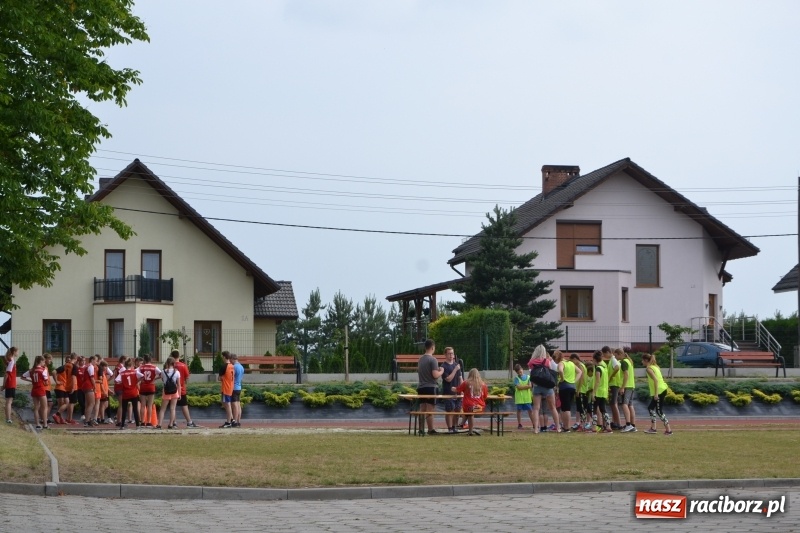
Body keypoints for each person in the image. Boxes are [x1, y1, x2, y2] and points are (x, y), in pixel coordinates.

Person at [528, 345, 561, 434]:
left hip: (537, 386)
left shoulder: (532, 362)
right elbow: (551, 371)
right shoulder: (546, 361)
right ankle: (558, 427)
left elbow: (531, 373)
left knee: (536, 408)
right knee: (553, 407)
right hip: (547, 386)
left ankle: (536, 428)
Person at [416, 339, 444, 435]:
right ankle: (431, 429)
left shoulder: (420, 359)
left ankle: (420, 428)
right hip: (431, 387)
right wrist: (441, 371)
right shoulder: (433, 359)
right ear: (432, 347)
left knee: (422, 409)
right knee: (430, 409)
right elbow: (435, 375)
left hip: (421, 387)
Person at [642, 353, 673, 436]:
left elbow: (656, 380)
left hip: (659, 391)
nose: (642, 362)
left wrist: (656, 394)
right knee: (651, 408)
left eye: (642, 360)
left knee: (659, 411)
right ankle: (653, 428)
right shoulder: (655, 366)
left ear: (645, 360)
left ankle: (668, 429)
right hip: (662, 389)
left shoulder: (649, 369)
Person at [454, 368, 488, 436]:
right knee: (470, 411)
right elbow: (485, 396)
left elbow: (458, 389)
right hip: (480, 408)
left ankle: (469, 430)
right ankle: (462, 424)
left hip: (469, 407)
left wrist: (453, 388)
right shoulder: (483, 384)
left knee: (470, 412)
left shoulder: (466, 382)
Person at [556, 351, 581, 433]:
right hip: (572, 387)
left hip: (564, 387)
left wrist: (562, 379)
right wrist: (574, 381)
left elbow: (560, 370)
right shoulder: (571, 363)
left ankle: (566, 427)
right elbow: (580, 372)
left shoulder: (561, 363)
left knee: (565, 408)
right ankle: (565, 426)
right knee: (566, 407)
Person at [22, 355, 49, 430]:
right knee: (44, 407)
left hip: (34, 389)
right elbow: (46, 382)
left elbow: (22, 376)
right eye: (43, 361)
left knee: (36, 407)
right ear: (40, 361)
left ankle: (37, 424)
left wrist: (31, 380)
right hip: (41, 389)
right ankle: (45, 424)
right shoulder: (43, 370)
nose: (44, 363)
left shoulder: (31, 370)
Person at [440, 346, 463, 433]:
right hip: (448, 392)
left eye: (452, 353)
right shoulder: (443, 366)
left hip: (457, 392)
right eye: (449, 353)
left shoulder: (456, 365)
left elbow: (460, 378)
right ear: (445, 355)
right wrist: (455, 369)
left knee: (457, 410)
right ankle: (449, 428)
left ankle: (454, 426)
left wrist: (463, 389)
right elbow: (448, 379)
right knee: (449, 410)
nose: (451, 355)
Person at [115, 358, 143, 429]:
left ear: (125, 364)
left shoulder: (122, 373)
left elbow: (116, 380)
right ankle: (137, 425)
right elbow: (142, 376)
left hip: (125, 393)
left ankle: (122, 425)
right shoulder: (134, 372)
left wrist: (122, 382)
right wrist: (136, 381)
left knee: (124, 409)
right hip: (133, 392)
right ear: (132, 364)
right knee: (135, 409)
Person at [172, 350, 198, 428]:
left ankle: (174, 423)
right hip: (182, 389)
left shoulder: (170, 365)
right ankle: (189, 422)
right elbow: (187, 377)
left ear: (172, 356)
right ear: (178, 356)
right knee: (184, 405)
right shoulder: (183, 365)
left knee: (173, 407)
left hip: (172, 389)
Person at [616, 348, 637, 432]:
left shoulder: (624, 362)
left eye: (616, 355)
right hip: (631, 385)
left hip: (627, 386)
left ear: (620, 354)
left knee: (624, 404)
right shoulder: (629, 361)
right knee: (630, 405)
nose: (615, 357)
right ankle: (632, 425)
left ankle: (628, 424)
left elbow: (626, 375)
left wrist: (622, 387)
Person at [157, 357, 181, 429]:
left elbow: (162, 380)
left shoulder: (163, 372)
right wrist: (179, 394)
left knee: (162, 409)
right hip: (174, 391)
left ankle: (159, 424)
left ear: (167, 363)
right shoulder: (177, 372)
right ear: (174, 364)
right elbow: (179, 384)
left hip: (166, 391)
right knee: (172, 409)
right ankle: (171, 424)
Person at [602, 346, 623, 429]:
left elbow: (617, 368)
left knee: (613, 404)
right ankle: (615, 422)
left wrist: (610, 376)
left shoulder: (613, 360)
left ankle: (618, 423)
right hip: (614, 383)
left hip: (614, 384)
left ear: (607, 352)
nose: (604, 356)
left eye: (604, 354)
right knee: (613, 404)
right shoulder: (612, 360)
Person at [138, 355, 161, 427]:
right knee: (150, 405)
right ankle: (148, 422)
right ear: (151, 360)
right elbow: (161, 374)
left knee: (143, 405)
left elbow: (135, 374)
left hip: (143, 386)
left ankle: (142, 421)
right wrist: (154, 379)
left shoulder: (141, 367)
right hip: (151, 386)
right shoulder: (154, 367)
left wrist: (141, 379)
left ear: (144, 360)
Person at [592, 351, 612, 433]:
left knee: (595, 409)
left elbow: (597, 381)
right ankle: (608, 425)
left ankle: (594, 426)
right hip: (604, 391)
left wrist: (593, 392)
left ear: (594, 359)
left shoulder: (598, 368)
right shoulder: (604, 368)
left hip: (598, 391)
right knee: (603, 409)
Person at [513, 364, 536, 430]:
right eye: (518, 373)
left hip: (527, 398)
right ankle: (519, 424)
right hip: (519, 398)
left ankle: (534, 424)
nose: (520, 373)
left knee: (530, 411)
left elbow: (530, 385)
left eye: (520, 372)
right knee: (519, 411)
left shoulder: (528, 377)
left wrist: (523, 387)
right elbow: (519, 387)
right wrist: (526, 386)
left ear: (522, 369)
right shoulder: (516, 378)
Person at [2, 347, 18, 424]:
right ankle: (8, 419)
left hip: (11, 383)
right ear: (14, 352)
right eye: (17, 351)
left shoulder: (11, 360)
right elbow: (7, 374)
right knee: (9, 401)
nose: (17, 353)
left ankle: (8, 418)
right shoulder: (11, 361)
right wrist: (3, 385)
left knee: (9, 401)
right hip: (10, 383)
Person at [218, 351, 235, 428]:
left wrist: (222, 378)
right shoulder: (232, 365)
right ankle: (231, 419)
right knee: (226, 403)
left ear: (224, 357)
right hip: (230, 386)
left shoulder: (224, 366)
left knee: (227, 405)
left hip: (226, 387)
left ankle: (228, 422)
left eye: (222, 356)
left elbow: (219, 378)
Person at [231, 354, 244, 428]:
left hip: (234, 387)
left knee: (234, 405)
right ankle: (238, 421)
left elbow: (232, 377)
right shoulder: (241, 367)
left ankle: (235, 421)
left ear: (233, 359)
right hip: (239, 387)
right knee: (238, 405)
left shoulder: (234, 367)